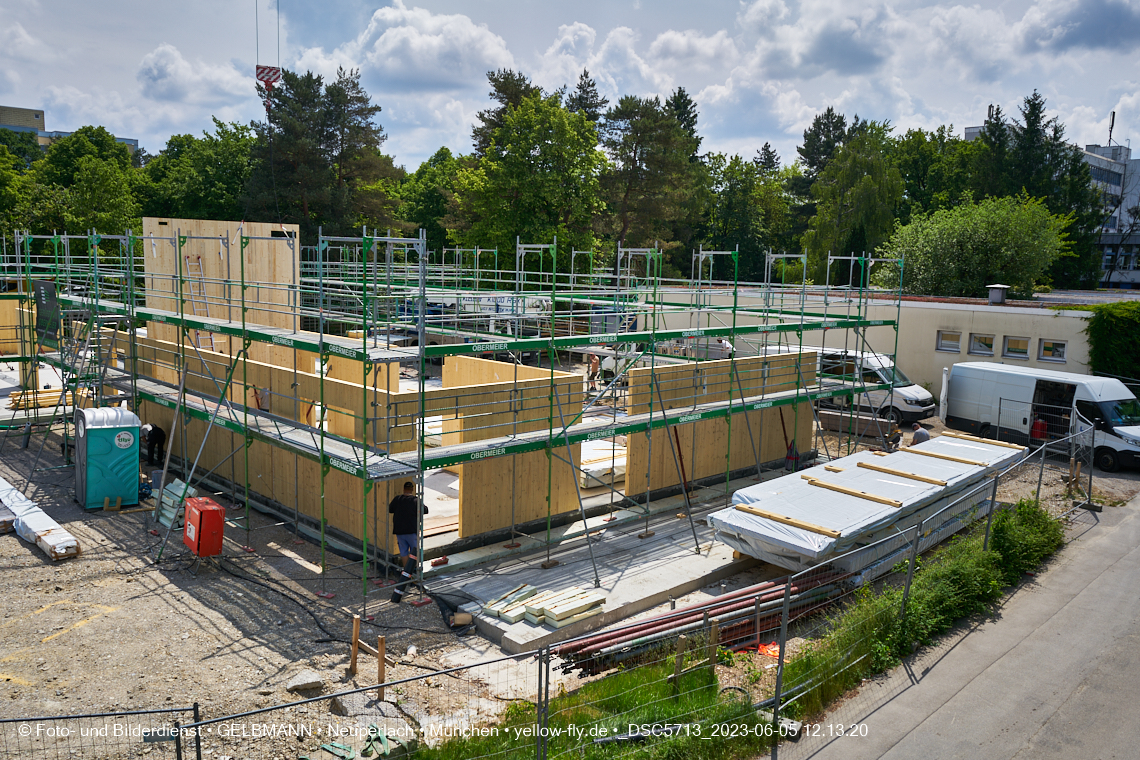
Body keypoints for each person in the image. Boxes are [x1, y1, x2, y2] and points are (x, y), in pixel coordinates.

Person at [389, 481, 427, 562]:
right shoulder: (415, 501)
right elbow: (425, 510)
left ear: (403, 489)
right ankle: (415, 571)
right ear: (412, 489)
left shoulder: (397, 499)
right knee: (415, 552)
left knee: (403, 552)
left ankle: (407, 572)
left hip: (399, 531)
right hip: (411, 531)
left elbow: (390, 509)